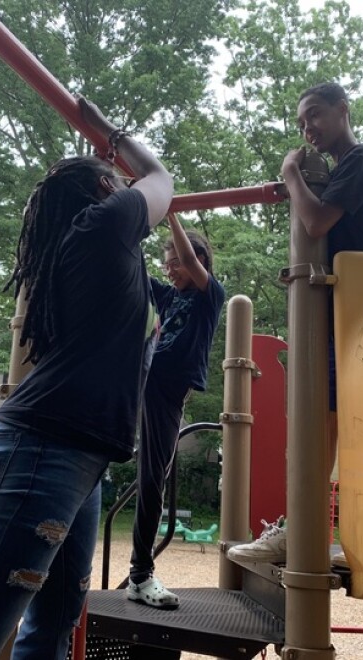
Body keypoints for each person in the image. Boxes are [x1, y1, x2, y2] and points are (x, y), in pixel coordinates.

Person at [0, 94, 173, 660]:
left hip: (77, 458)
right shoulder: (103, 226)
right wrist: (110, 133)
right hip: (44, 453)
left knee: (53, 629)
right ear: (106, 190)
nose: (124, 185)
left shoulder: (86, 251)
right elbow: (157, 176)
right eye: (114, 178)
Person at [227, 81, 363, 564]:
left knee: (323, 423)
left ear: (343, 111)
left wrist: (289, 173)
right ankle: (320, 530)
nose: (308, 129)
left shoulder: (361, 160)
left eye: (315, 115)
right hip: (350, 311)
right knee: (330, 423)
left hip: (359, 311)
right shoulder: (349, 168)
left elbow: (316, 221)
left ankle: (302, 529)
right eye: (301, 122)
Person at [126, 215, 225, 608]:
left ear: (198, 260)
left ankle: (140, 576)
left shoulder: (209, 294)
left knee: (153, 479)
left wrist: (170, 214)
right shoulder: (168, 296)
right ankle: (140, 574)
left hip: (167, 393)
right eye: (166, 265)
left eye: (176, 263)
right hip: (141, 380)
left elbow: (189, 257)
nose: (170, 270)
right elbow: (131, 263)